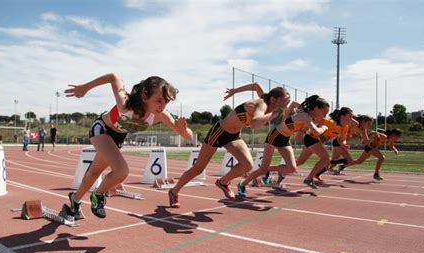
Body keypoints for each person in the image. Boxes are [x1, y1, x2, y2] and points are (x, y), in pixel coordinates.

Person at [65, 73, 193, 218]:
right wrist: (85, 88)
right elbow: (113, 77)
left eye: (165, 102)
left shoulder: (161, 115)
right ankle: (98, 195)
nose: (162, 106)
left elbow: (188, 136)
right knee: (121, 171)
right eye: (158, 101)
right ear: (145, 96)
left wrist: (183, 130)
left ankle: (75, 200)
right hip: (101, 129)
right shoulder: (125, 104)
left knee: (95, 172)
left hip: (117, 137)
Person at [168, 82, 292, 207]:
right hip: (219, 132)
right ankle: (174, 191)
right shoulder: (262, 105)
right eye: (284, 103)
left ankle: (223, 182)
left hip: (233, 136)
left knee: (247, 164)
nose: (285, 107)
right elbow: (254, 123)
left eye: (287, 103)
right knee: (198, 168)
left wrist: (234, 91)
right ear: (273, 99)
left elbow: (256, 85)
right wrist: (275, 113)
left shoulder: (267, 99)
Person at [238, 95, 329, 197]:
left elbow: (299, 134)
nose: (325, 116)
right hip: (275, 136)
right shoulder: (306, 116)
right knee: (262, 169)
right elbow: (316, 132)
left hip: (285, 139)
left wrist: (296, 123)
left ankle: (268, 170)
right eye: (324, 113)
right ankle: (242, 184)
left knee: (291, 168)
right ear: (316, 108)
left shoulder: (310, 117)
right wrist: (324, 127)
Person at [292, 107, 354, 188]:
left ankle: (285, 169)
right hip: (311, 138)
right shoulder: (329, 122)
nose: (352, 119)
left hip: (317, 142)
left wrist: (344, 144)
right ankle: (309, 179)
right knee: (326, 158)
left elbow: (342, 140)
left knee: (301, 161)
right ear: (342, 116)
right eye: (350, 116)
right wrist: (301, 131)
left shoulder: (345, 127)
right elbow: (312, 121)